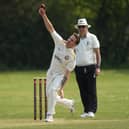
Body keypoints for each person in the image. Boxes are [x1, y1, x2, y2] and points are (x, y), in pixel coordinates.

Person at [38, 4, 80, 122]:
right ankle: (69, 103)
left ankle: (50, 115)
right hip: (50, 73)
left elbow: (67, 74)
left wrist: (61, 87)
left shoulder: (72, 57)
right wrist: (44, 15)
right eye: (70, 37)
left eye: (72, 40)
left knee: (52, 91)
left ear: (75, 44)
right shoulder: (60, 42)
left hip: (60, 76)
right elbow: (51, 28)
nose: (69, 40)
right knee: (50, 95)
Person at [74, 18, 101, 118]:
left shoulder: (92, 37)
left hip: (90, 66)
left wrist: (98, 67)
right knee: (83, 90)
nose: (81, 29)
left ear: (86, 27)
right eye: (80, 27)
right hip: (78, 67)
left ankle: (92, 110)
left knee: (91, 89)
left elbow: (98, 54)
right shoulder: (75, 38)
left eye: (83, 27)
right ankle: (86, 110)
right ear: (78, 28)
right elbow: (71, 50)